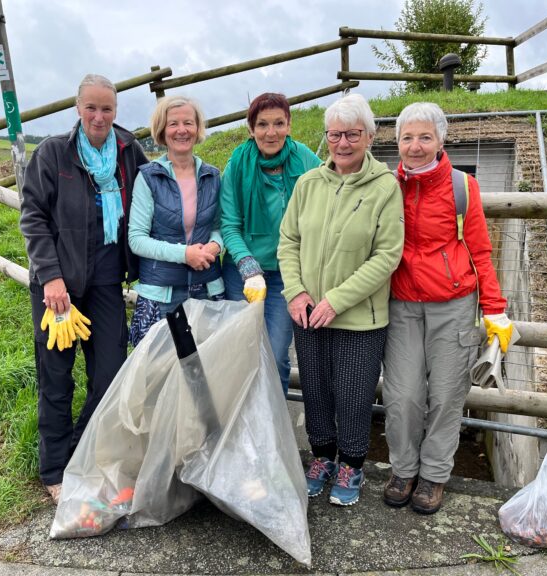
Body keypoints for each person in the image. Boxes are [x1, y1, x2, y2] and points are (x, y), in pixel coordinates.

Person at [19, 74, 148, 504]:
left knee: (110, 374)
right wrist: (51, 277)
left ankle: (82, 449)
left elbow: (154, 197)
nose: (98, 117)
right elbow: (33, 217)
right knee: (56, 378)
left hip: (107, 283)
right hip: (59, 286)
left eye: (106, 109)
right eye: (90, 108)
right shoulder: (54, 153)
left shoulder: (129, 152)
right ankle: (55, 469)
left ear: (116, 111)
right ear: (77, 108)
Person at [382, 102, 513, 515]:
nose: (415, 146)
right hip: (401, 304)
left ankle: (434, 475)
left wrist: (494, 308)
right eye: (407, 137)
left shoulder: (462, 187)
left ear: (441, 140)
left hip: (453, 306)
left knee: (445, 397)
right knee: (402, 396)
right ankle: (403, 468)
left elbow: (479, 248)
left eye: (425, 137)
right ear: (397, 141)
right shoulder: (387, 187)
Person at [277, 94, 404, 506]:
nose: (343, 143)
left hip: (358, 317)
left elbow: (387, 254)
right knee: (314, 390)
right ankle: (322, 458)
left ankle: (351, 464)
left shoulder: (385, 187)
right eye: (335, 134)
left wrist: (336, 299)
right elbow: (288, 241)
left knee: (353, 391)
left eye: (352, 134)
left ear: (369, 136)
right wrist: (295, 291)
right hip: (307, 311)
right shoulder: (308, 183)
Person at [220, 93, 321, 396]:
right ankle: (238, 428)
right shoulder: (238, 164)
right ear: (251, 129)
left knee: (276, 355)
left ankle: (271, 431)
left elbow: (331, 200)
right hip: (243, 276)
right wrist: (247, 265)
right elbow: (229, 223)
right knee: (239, 355)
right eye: (262, 124)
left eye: (279, 123)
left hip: (285, 278)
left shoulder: (306, 160)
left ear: (289, 125)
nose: (271, 132)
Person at [128, 96, 224, 345]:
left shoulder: (212, 176)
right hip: (161, 296)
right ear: (162, 130)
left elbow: (219, 227)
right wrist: (185, 254)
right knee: (161, 376)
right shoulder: (148, 178)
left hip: (207, 290)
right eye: (173, 124)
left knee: (205, 374)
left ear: (197, 128)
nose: (181, 130)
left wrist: (215, 246)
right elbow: (137, 240)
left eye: (188, 123)